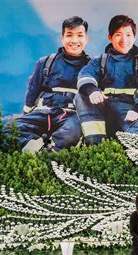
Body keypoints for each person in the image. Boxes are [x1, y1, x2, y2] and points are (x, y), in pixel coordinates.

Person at [75, 15, 138, 145]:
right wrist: (92, 90)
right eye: (118, 34)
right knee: (81, 96)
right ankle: (95, 144)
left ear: (134, 37)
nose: (124, 39)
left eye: (128, 35)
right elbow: (85, 75)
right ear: (110, 37)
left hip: (131, 108)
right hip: (103, 107)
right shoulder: (99, 61)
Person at [15, 16, 90, 153]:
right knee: (10, 128)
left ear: (86, 39)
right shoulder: (45, 62)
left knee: (72, 133)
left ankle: (49, 152)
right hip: (43, 112)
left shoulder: (93, 68)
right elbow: (32, 90)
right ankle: (35, 147)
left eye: (79, 35)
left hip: (72, 115)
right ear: (62, 38)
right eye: (69, 35)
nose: (74, 40)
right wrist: (26, 116)